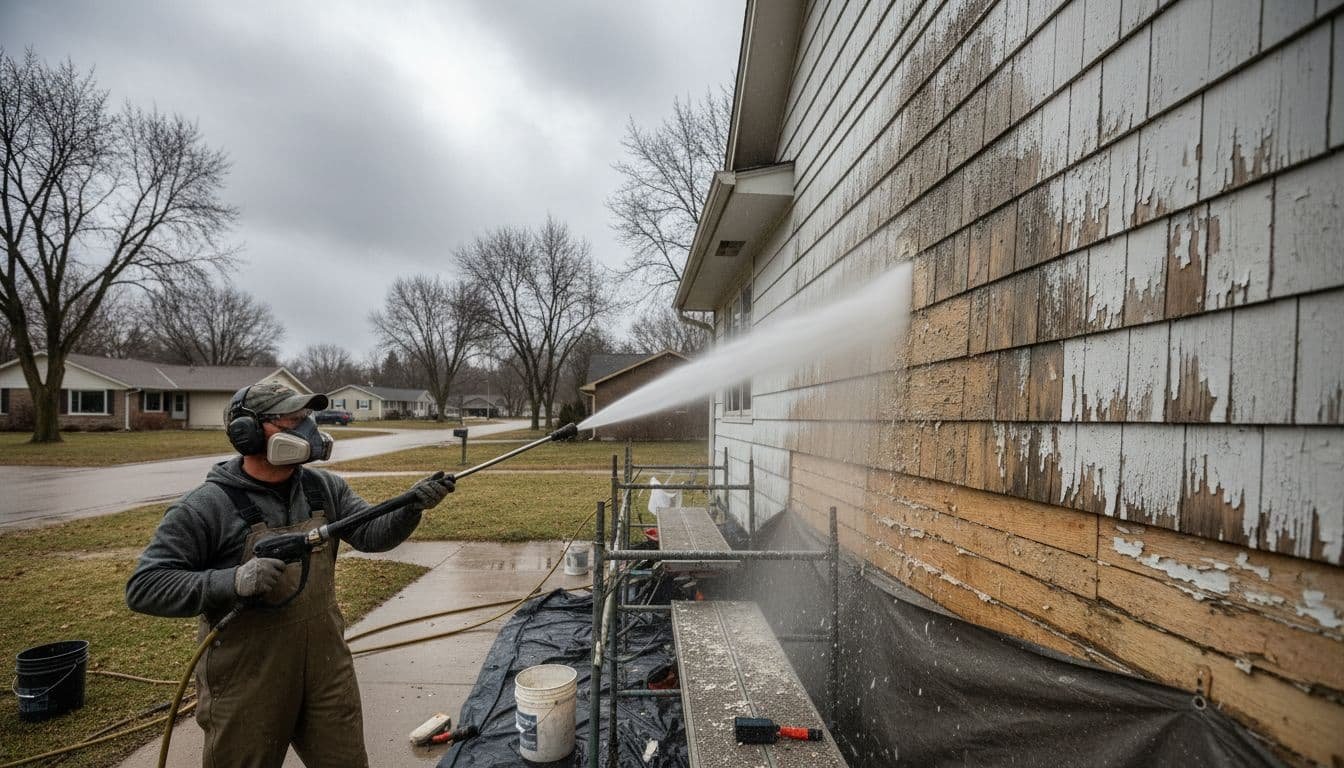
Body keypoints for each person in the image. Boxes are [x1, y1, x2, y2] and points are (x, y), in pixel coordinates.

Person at [126, 382, 454, 768]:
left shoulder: (323, 488)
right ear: (245, 432)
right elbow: (145, 586)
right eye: (293, 421)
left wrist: (410, 508)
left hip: (327, 669)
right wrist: (231, 581)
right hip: (247, 681)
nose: (307, 431)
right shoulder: (205, 507)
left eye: (307, 419)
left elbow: (371, 535)